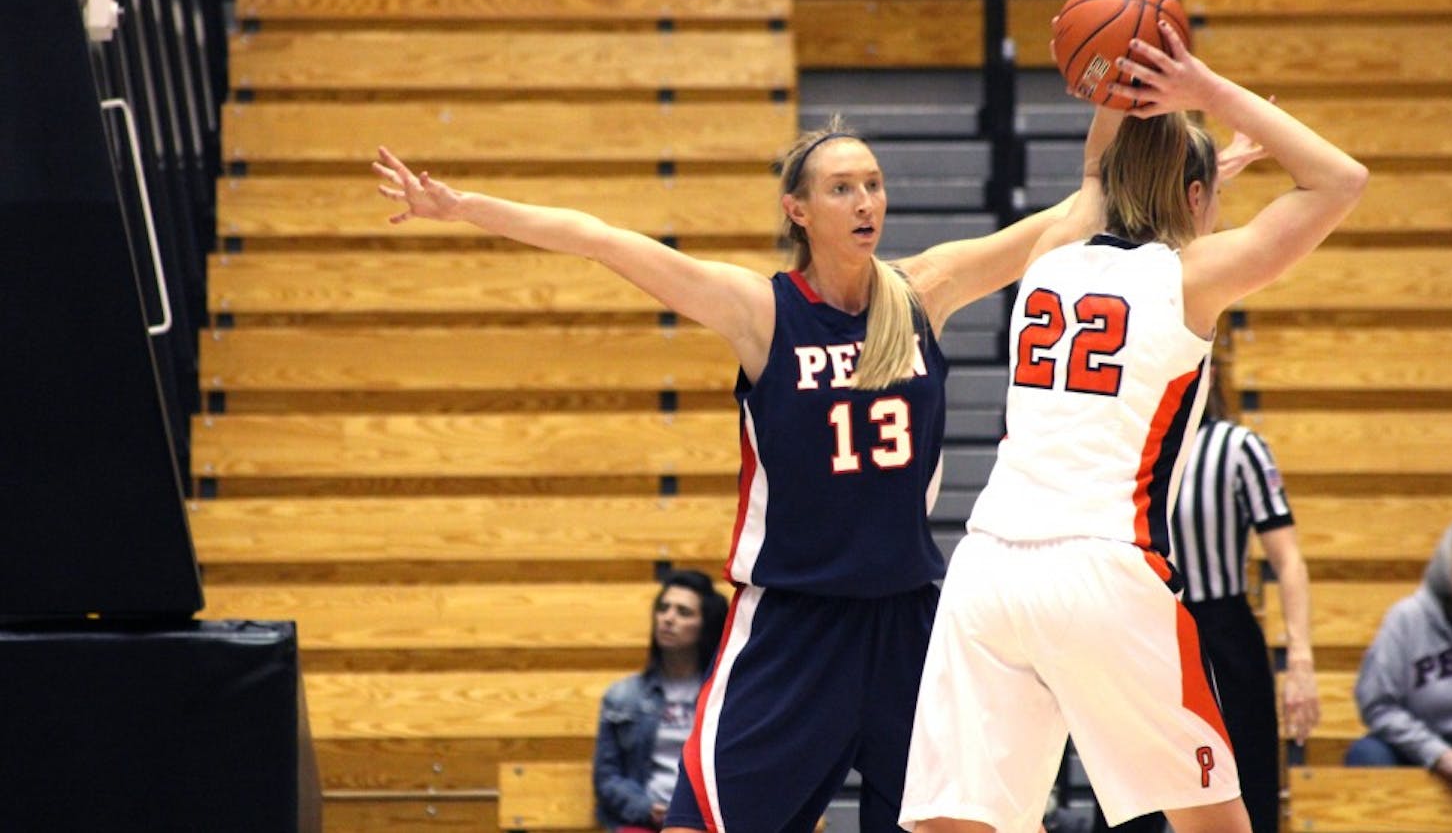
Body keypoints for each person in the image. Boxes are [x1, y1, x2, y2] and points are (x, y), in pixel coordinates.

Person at [373, 107, 1115, 831]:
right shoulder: (761, 311)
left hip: (907, 621)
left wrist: (1121, 98)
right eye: (841, 189)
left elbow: (1076, 211)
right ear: (798, 210)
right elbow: (601, 240)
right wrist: (462, 206)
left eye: (874, 184)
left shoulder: (920, 293)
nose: (866, 202)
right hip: (792, 625)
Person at [899, 19, 1366, 833]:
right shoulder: (1194, 274)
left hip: (986, 568)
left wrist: (1141, 86)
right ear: (1195, 198)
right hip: (1102, 569)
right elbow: (1339, 180)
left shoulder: (1055, 246)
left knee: (960, 822)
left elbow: (1097, 170)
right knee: (1213, 823)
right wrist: (1203, 87)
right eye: (1213, 193)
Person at [1089, 375, 1320, 833]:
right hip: (1139, 623)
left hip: (1223, 631)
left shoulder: (1238, 447)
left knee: (1248, 785)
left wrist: (1301, 660)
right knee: (1128, 792)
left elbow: (1288, 560)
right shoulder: (1117, 445)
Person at [1347, 511, 1452, 816]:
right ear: (1447, 565)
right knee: (1367, 753)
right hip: (1421, 753)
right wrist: (1443, 757)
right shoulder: (1406, 619)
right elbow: (1377, 704)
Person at [594, 570, 730, 832]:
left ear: (705, 625)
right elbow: (607, 777)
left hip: (705, 821)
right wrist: (645, 808)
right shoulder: (623, 697)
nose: (668, 618)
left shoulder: (723, 698)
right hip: (644, 821)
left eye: (683, 612)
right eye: (663, 608)